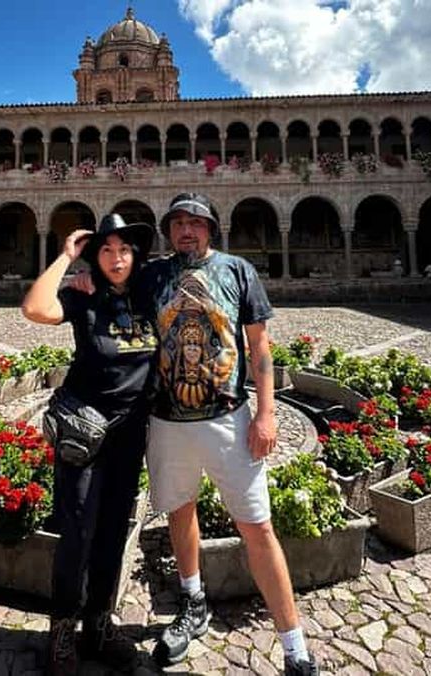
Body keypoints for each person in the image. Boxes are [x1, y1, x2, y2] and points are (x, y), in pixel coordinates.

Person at [143, 193, 319, 675]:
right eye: (178, 222)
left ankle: (295, 647)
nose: (186, 230)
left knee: (257, 525)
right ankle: (193, 601)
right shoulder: (154, 276)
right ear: (168, 230)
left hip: (228, 420)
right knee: (180, 511)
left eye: (196, 222)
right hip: (168, 422)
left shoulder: (237, 271)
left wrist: (267, 413)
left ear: (211, 228)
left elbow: (259, 347)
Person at [21, 214, 157, 676]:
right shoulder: (85, 296)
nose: (116, 259)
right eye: (107, 250)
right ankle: (62, 628)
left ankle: (98, 624)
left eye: (124, 250)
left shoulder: (147, 297)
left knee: (114, 531)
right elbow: (35, 309)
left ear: (135, 256)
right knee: (78, 531)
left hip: (129, 437)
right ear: (95, 257)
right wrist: (66, 258)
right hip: (85, 434)